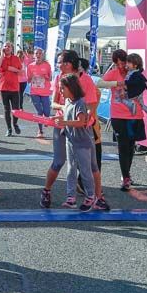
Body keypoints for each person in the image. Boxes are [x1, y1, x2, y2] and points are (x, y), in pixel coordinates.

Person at [53, 74, 106, 211]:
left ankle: (90, 197)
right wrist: (57, 119)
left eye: (62, 89)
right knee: (71, 169)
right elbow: (68, 117)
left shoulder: (80, 103)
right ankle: (71, 198)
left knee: (86, 170)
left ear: (71, 88)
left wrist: (64, 122)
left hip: (83, 142)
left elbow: (81, 122)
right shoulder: (68, 102)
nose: (60, 92)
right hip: (71, 140)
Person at [42, 50, 81, 207]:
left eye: (63, 62)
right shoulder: (58, 78)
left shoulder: (81, 79)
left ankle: (89, 195)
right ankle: (46, 190)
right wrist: (66, 107)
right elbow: (53, 104)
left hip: (79, 125)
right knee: (59, 161)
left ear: (72, 63)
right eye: (58, 62)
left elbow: (89, 102)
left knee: (82, 162)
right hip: (61, 123)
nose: (60, 65)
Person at [100, 49, 139, 192]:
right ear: (115, 63)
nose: (122, 66)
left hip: (134, 114)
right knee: (123, 146)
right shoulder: (112, 73)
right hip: (117, 115)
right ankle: (126, 177)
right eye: (119, 63)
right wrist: (117, 83)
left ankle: (126, 174)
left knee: (131, 146)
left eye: (124, 62)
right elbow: (99, 83)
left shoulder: (133, 72)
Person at [114, 53, 147, 127]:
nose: (127, 64)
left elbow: (134, 82)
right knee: (141, 105)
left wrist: (125, 83)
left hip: (135, 93)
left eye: (129, 63)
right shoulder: (134, 72)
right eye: (127, 62)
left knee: (119, 98)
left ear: (135, 65)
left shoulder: (134, 73)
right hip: (137, 92)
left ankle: (131, 104)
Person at [0, 43, 23, 136]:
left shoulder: (16, 58)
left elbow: (20, 71)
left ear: (12, 48)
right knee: (7, 109)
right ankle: (9, 128)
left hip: (14, 87)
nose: (7, 48)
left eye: (9, 46)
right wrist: (2, 56)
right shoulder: (0, 58)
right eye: (5, 46)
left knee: (16, 109)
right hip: (4, 87)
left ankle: (15, 124)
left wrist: (8, 68)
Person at [26, 48, 53, 138]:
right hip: (34, 92)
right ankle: (40, 131)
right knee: (39, 111)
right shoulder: (30, 66)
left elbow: (50, 78)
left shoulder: (47, 65)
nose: (38, 55)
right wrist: (32, 78)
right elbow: (28, 80)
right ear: (34, 55)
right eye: (36, 53)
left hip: (45, 91)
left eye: (40, 53)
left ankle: (46, 119)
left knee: (47, 112)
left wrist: (45, 77)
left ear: (43, 55)